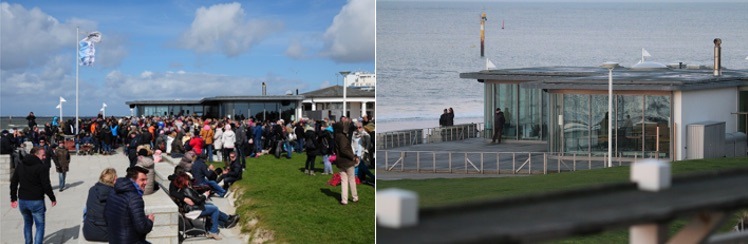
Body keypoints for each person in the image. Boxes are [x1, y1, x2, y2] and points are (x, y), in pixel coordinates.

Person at [11, 146, 57, 244]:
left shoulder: (21, 165)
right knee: (40, 226)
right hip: (36, 201)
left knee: (27, 224)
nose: (45, 157)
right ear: (36, 155)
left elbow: (14, 182)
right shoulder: (41, 167)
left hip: (23, 201)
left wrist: (13, 198)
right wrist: (52, 198)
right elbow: (46, 185)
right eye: (43, 155)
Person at [171, 173, 238, 240]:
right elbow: (198, 200)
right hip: (193, 211)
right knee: (215, 209)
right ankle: (213, 231)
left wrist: (201, 195)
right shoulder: (186, 190)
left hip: (190, 209)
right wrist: (205, 195)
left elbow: (195, 198)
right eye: (187, 179)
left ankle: (224, 221)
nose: (189, 181)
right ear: (184, 181)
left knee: (211, 206)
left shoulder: (182, 190)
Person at [105, 166, 154, 244]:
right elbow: (143, 228)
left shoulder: (113, 191)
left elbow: (107, 215)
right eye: (142, 180)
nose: (146, 183)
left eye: (146, 180)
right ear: (132, 180)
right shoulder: (134, 198)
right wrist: (150, 221)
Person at [83, 168, 117, 242]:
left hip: (88, 233)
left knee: (86, 209)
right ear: (114, 180)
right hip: (107, 234)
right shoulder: (115, 194)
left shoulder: (92, 189)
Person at [333, 118, 358, 205]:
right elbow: (344, 149)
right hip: (347, 161)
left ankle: (344, 200)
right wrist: (353, 157)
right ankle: (354, 197)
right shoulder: (342, 137)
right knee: (351, 179)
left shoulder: (336, 136)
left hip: (340, 161)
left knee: (344, 181)